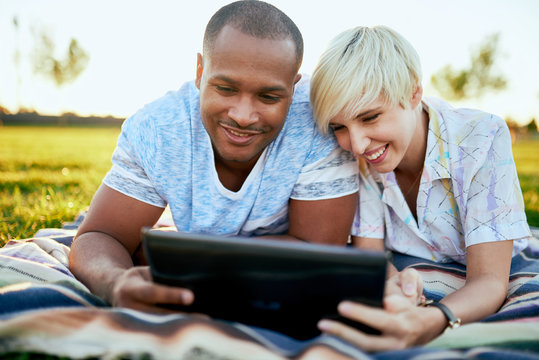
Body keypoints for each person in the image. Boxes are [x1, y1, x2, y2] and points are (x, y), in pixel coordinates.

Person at [68, 0, 361, 314]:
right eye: (225, 88)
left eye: (269, 96)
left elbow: (319, 257)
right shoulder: (158, 130)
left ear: (294, 85)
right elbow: (100, 234)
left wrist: (189, 261)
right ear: (200, 71)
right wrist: (115, 283)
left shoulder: (320, 121)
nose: (243, 115)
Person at [310, 25, 532, 350]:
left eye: (370, 117)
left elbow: (488, 280)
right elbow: (370, 256)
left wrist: (432, 320)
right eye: (338, 126)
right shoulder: (358, 159)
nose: (356, 144)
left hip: (492, 273)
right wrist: (396, 289)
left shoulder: (481, 137)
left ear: (414, 93)